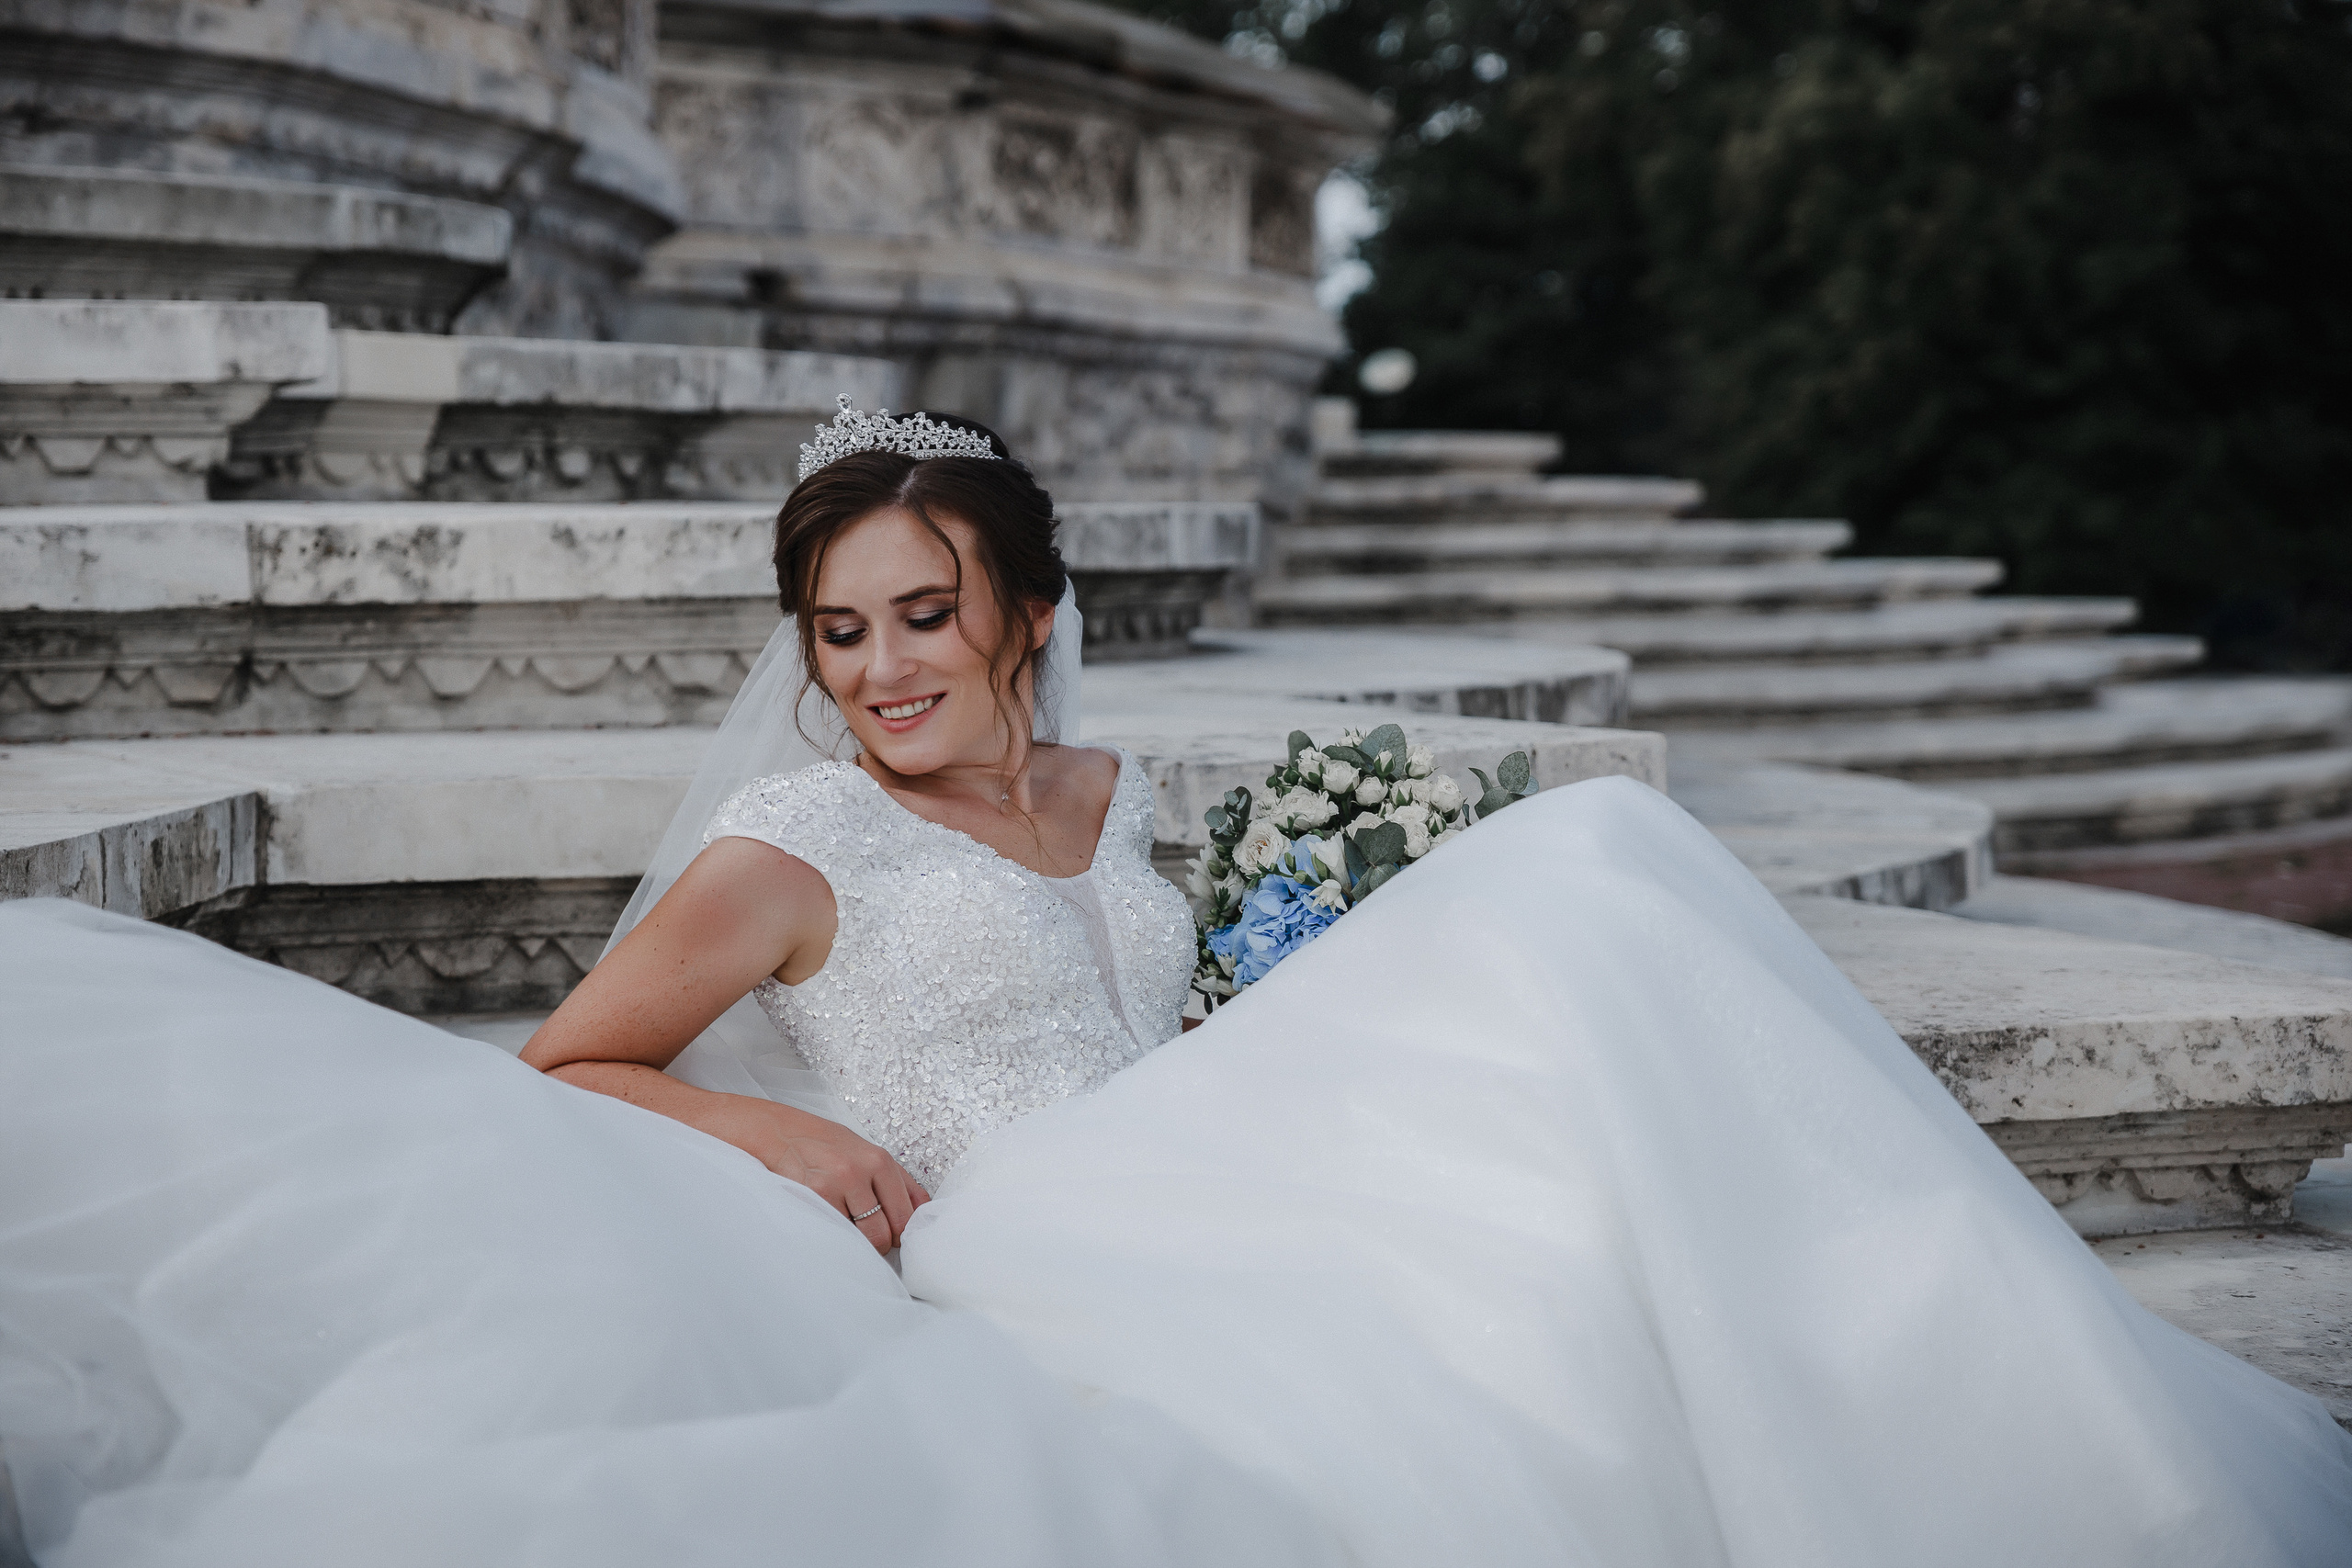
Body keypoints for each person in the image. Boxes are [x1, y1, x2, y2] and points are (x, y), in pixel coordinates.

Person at [3, 406, 2349, 1568]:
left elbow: (1177, 1022)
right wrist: (800, 1131)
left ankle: (1936, 1394)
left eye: (925, 616)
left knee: (1583, 923)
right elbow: (579, 1056)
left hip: (1195, 1172)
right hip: (1024, 1237)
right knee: (1597, 870)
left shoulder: (1124, 797)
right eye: (842, 631)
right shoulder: (793, 838)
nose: (884, 669)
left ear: (1021, 610)